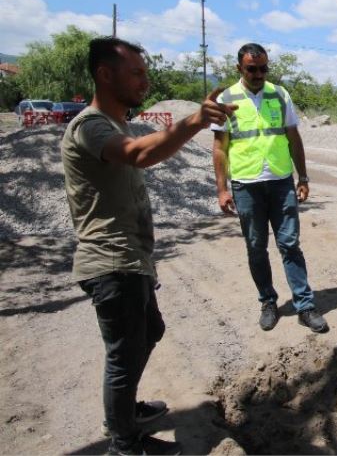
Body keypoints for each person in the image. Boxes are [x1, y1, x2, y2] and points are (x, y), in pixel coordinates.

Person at [61, 37, 235, 455]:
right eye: (136, 72)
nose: (145, 79)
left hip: (130, 259)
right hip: (111, 261)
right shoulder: (90, 125)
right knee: (123, 357)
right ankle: (125, 443)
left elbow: (140, 149)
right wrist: (193, 122)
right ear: (105, 74)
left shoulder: (115, 123)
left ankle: (125, 412)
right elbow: (138, 154)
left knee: (149, 332)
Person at [210, 43, 329, 333]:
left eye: (264, 68)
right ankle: (268, 302)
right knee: (256, 247)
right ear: (239, 68)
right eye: (252, 69)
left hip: (280, 182)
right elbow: (220, 147)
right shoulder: (226, 98)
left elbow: (293, 138)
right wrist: (222, 189)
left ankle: (304, 305)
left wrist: (303, 177)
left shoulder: (280, 94)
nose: (259, 73)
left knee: (289, 244)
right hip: (246, 185)